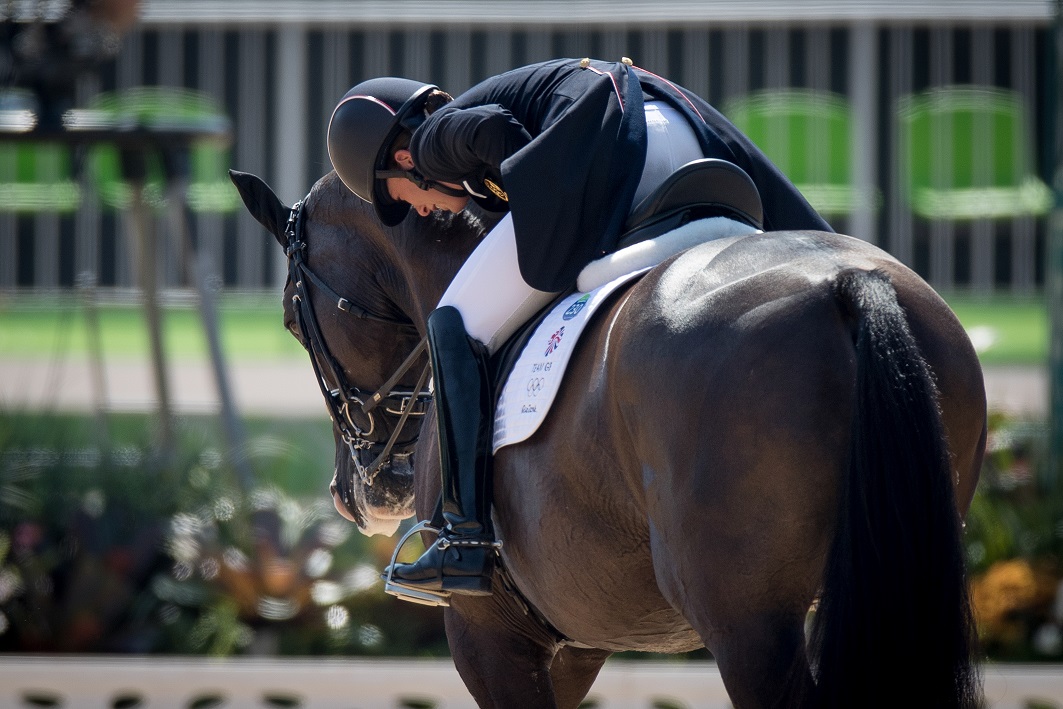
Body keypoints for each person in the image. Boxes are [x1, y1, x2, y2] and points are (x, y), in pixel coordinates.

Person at [327, 57, 832, 599]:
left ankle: (463, 539)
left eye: (401, 197)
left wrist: (534, 205)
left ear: (404, 158)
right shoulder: (463, 136)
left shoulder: (432, 143)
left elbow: (498, 131)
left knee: (452, 323)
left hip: (610, 141)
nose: (420, 213)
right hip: (682, 128)